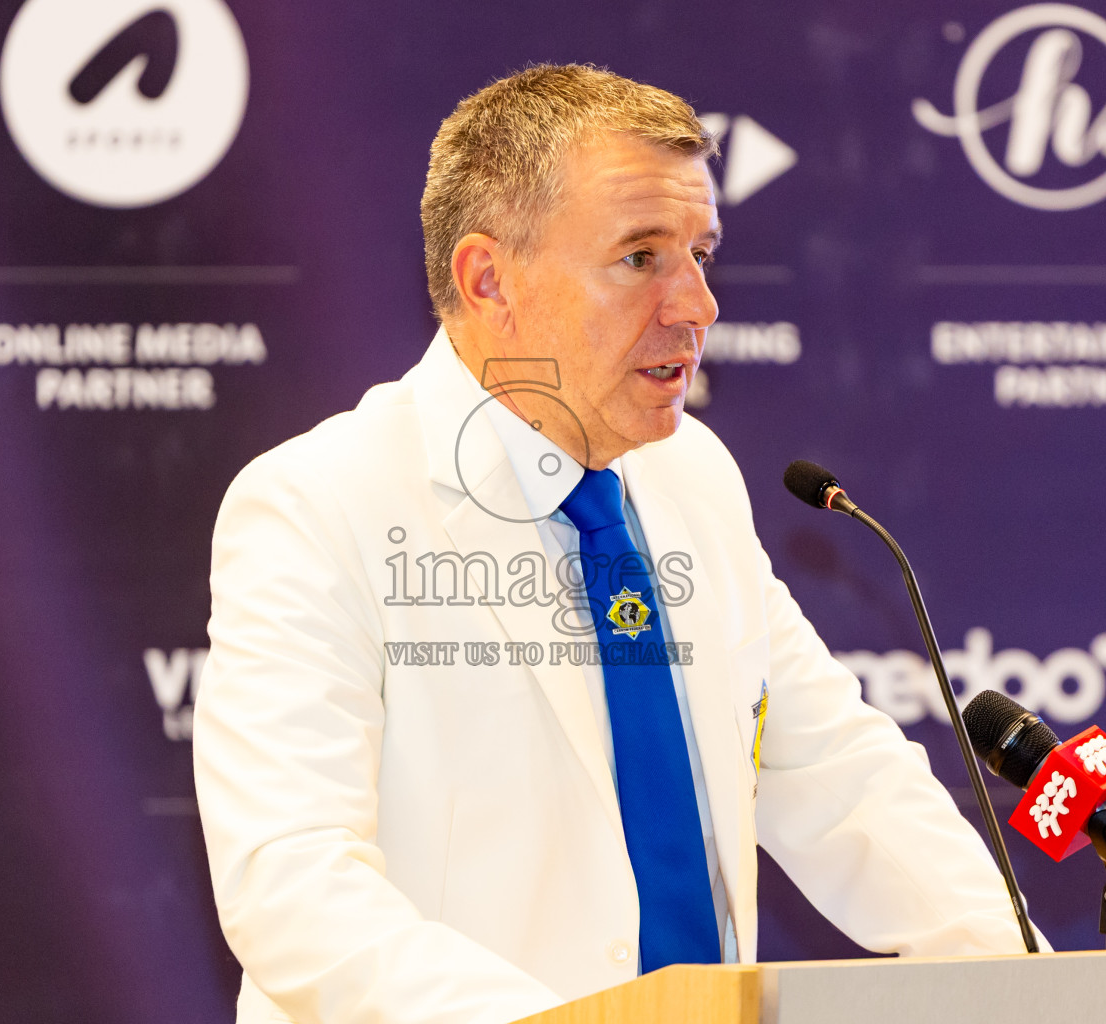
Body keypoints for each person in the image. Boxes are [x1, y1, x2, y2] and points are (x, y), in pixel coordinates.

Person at [193, 64, 1042, 1024]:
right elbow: (292, 885)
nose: (697, 306)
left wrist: (1037, 988)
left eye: (702, 255)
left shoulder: (694, 477)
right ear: (488, 280)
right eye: (641, 257)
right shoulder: (317, 502)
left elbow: (843, 780)